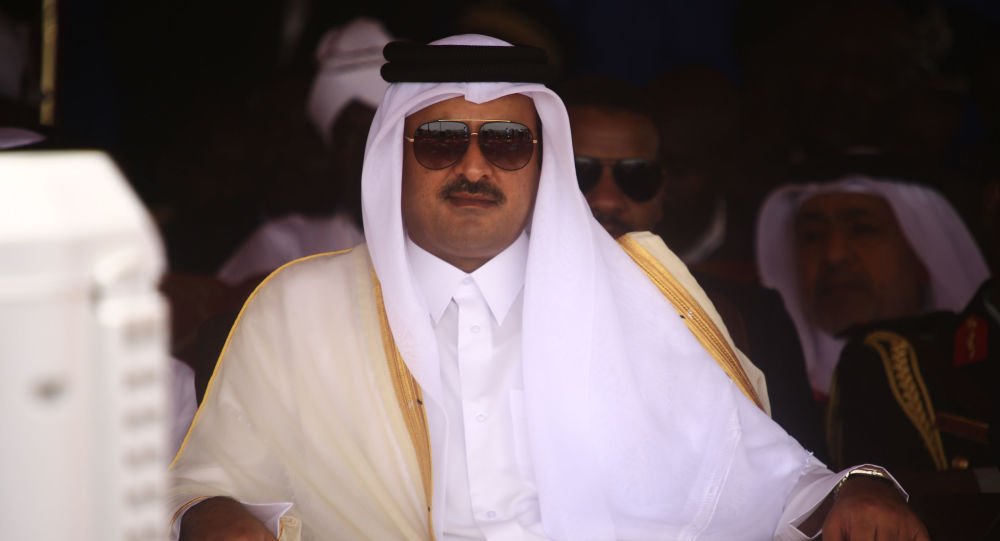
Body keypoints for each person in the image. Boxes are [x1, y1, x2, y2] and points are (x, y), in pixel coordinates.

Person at [171, 35, 926, 540]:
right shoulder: (298, 306)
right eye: (439, 142)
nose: (474, 167)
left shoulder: (635, 296)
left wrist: (858, 488)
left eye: (506, 143)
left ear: (543, 163)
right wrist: (211, 515)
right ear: (392, 159)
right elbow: (204, 484)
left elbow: (762, 479)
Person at [561, 75, 828, 462]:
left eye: (636, 176)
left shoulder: (749, 314)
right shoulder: (494, 300)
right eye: (579, 174)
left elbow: (802, 468)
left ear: (662, 192)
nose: (606, 200)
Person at [756, 172, 991, 400]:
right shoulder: (762, 399)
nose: (834, 255)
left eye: (862, 229)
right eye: (813, 235)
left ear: (922, 254)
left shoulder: (977, 395)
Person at [215, 17, 392, 287]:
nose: (365, 150)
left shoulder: (447, 248)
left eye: (377, 131)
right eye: (348, 137)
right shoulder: (286, 247)